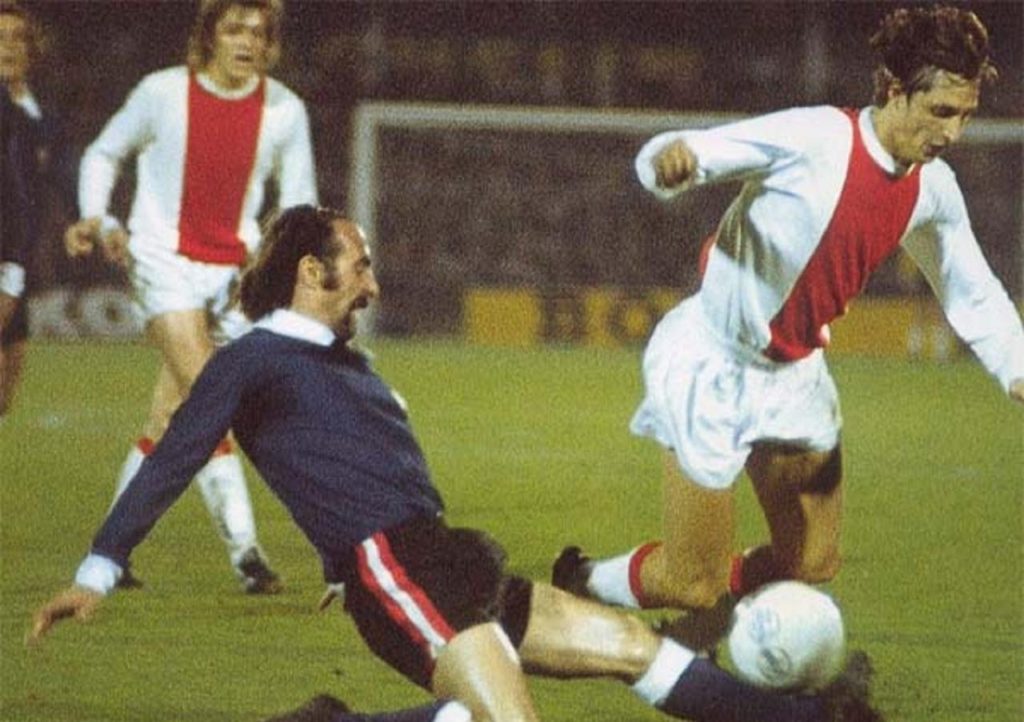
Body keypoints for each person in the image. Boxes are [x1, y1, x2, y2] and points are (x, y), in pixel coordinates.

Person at [29, 206, 882, 722]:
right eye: (360, 264)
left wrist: (339, 558)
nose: (372, 282)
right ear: (312, 271)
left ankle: (810, 718)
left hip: (443, 557)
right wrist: (97, 571)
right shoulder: (251, 359)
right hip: (394, 568)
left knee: (631, 645)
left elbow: (344, 470)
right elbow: (175, 456)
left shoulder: (348, 365)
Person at [552, 4, 1024, 646]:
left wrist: (1015, 366)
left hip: (796, 380)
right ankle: (584, 580)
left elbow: (973, 291)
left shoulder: (933, 189)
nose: (953, 132)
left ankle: (715, 627)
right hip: (713, 366)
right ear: (893, 88)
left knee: (812, 563)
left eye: (965, 115)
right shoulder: (814, 137)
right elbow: (694, 150)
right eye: (941, 111)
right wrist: (666, 163)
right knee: (691, 581)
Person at [63, 0, 318, 592]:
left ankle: (112, 548)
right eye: (234, 29)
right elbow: (104, 152)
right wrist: (98, 217)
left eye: (259, 32)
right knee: (211, 395)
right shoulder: (162, 93)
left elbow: (298, 201)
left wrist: (279, 265)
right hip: (162, 261)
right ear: (209, 37)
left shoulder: (284, 110)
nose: (247, 42)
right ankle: (247, 555)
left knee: (172, 415)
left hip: (235, 276)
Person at [0, 0, 74, 419]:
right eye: (0, 39)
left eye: (18, 39)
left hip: (19, 253)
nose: (9, 47)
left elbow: (52, 184)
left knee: (5, 393)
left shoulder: (42, 116)